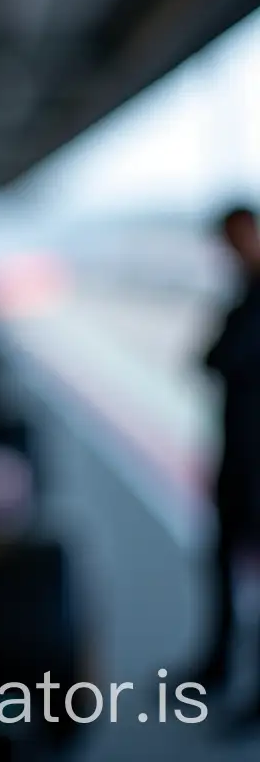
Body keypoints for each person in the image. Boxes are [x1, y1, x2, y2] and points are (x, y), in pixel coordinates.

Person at [194, 205, 260, 723]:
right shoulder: (243, 293)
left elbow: (222, 357)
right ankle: (217, 665)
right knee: (219, 564)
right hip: (237, 453)